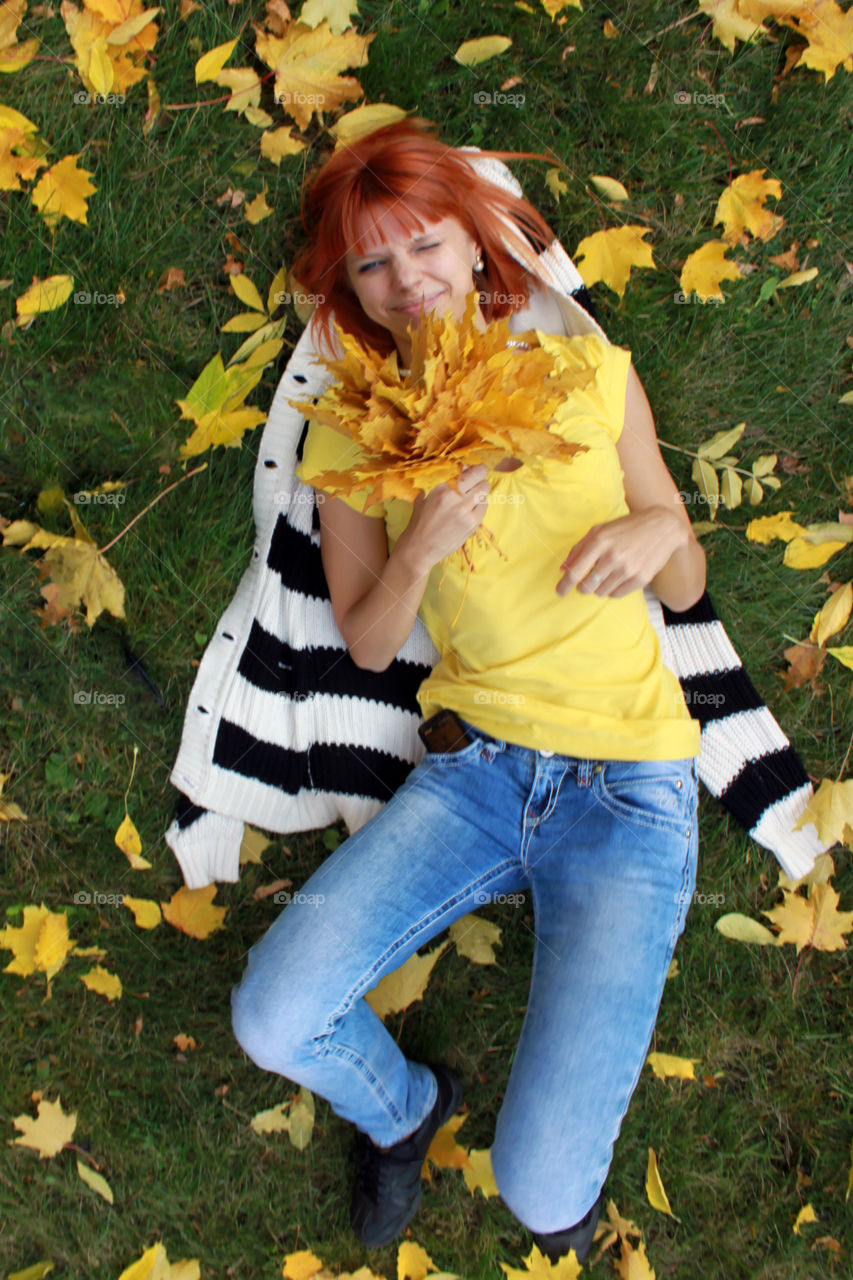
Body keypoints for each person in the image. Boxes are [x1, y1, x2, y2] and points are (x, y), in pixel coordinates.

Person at [230, 118, 707, 1263]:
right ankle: (403, 1110)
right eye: (372, 264)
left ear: (475, 242)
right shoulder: (355, 434)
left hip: (631, 792)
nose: (408, 282)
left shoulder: (588, 374)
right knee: (272, 1015)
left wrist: (655, 527)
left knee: (543, 1199)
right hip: (474, 775)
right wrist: (417, 548)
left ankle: (555, 1183)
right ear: (345, 287)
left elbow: (686, 582)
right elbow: (367, 639)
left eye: (425, 244)